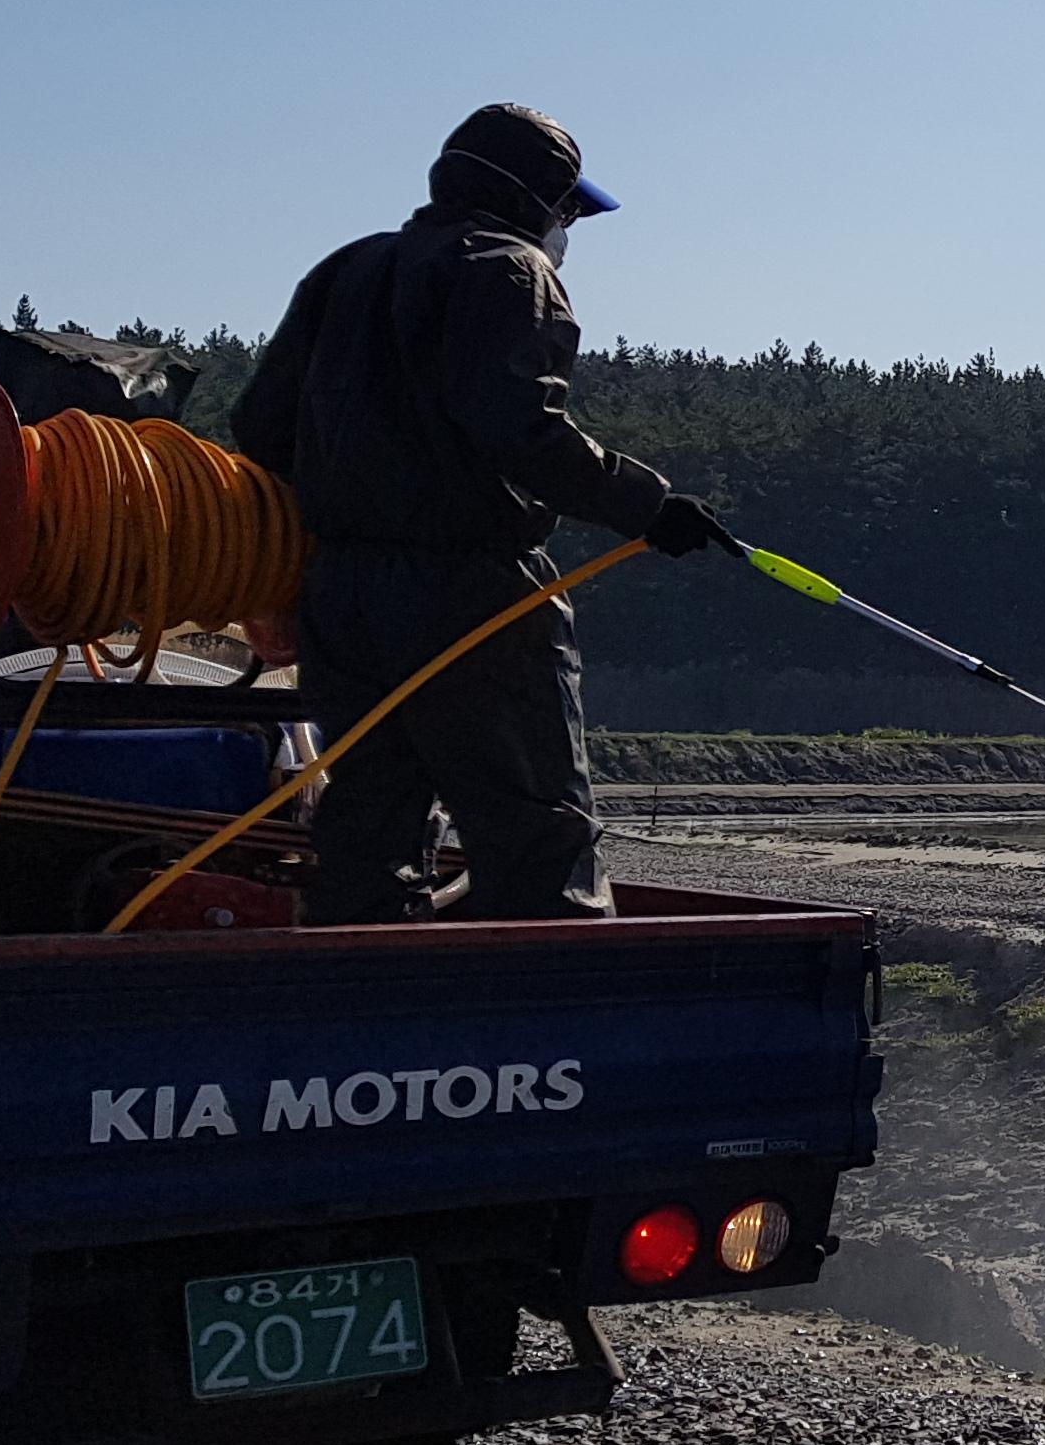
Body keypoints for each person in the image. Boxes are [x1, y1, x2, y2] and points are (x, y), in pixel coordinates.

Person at [232, 103, 733, 924]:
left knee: (367, 824)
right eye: (569, 210)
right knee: (535, 826)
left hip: (343, 597)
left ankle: (367, 1020)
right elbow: (517, 427)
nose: (569, 230)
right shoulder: (509, 268)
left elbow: (259, 425)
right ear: (535, 200)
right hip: (471, 596)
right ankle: (552, 1024)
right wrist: (647, 506)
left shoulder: (345, 270)